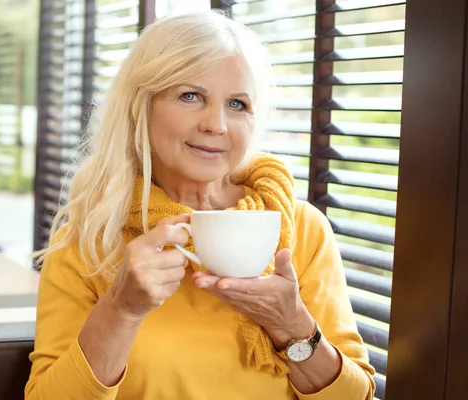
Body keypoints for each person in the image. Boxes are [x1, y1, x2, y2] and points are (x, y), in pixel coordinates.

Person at [25, 10, 375, 400]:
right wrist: (121, 309)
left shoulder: (300, 228)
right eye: (191, 96)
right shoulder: (89, 239)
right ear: (141, 106)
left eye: (238, 104)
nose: (217, 124)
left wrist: (292, 325)